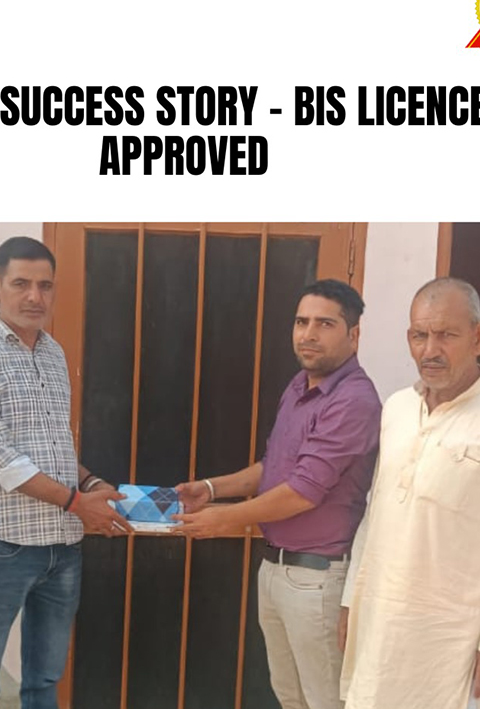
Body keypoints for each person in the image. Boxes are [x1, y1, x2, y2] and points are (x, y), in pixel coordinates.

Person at [338, 278, 480, 709]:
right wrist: (350, 604)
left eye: (446, 335)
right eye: (420, 335)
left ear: (479, 337)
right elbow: (375, 515)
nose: (430, 350)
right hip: (382, 627)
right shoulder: (397, 409)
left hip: (456, 640)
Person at [175, 279, 381, 709]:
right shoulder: (300, 386)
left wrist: (224, 518)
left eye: (325, 324)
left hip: (317, 578)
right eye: (302, 322)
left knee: (326, 702)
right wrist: (211, 489)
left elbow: (303, 491)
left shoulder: (354, 400)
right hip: (276, 570)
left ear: (354, 334)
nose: (309, 334)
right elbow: (274, 468)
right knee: (291, 698)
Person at [0, 236, 130, 709]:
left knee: (46, 679)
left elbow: (55, 448)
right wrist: (78, 502)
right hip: (3, 546)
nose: (35, 297)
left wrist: (90, 483)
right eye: (21, 284)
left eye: (45, 286)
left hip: (63, 546)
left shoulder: (53, 352)